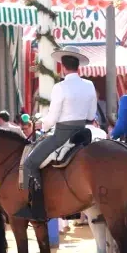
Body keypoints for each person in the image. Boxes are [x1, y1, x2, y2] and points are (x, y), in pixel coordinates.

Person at [15, 45, 97, 221]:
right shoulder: (89, 85)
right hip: (84, 132)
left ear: (63, 66)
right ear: (78, 66)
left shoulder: (60, 87)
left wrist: (40, 126)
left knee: (30, 163)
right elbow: (91, 115)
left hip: (62, 134)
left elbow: (52, 119)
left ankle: (37, 209)